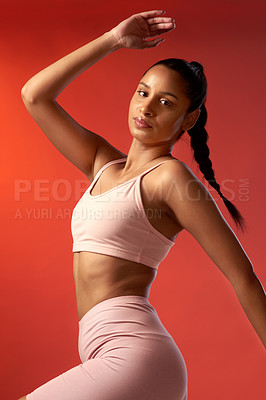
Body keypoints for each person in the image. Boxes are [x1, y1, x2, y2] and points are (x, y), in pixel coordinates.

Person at [19, 9, 265, 400]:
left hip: (135, 358)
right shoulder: (102, 162)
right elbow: (34, 95)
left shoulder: (170, 178)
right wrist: (114, 40)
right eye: (142, 91)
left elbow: (244, 278)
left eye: (166, 102)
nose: (147, 107)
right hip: (102, 353)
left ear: (189, 119)